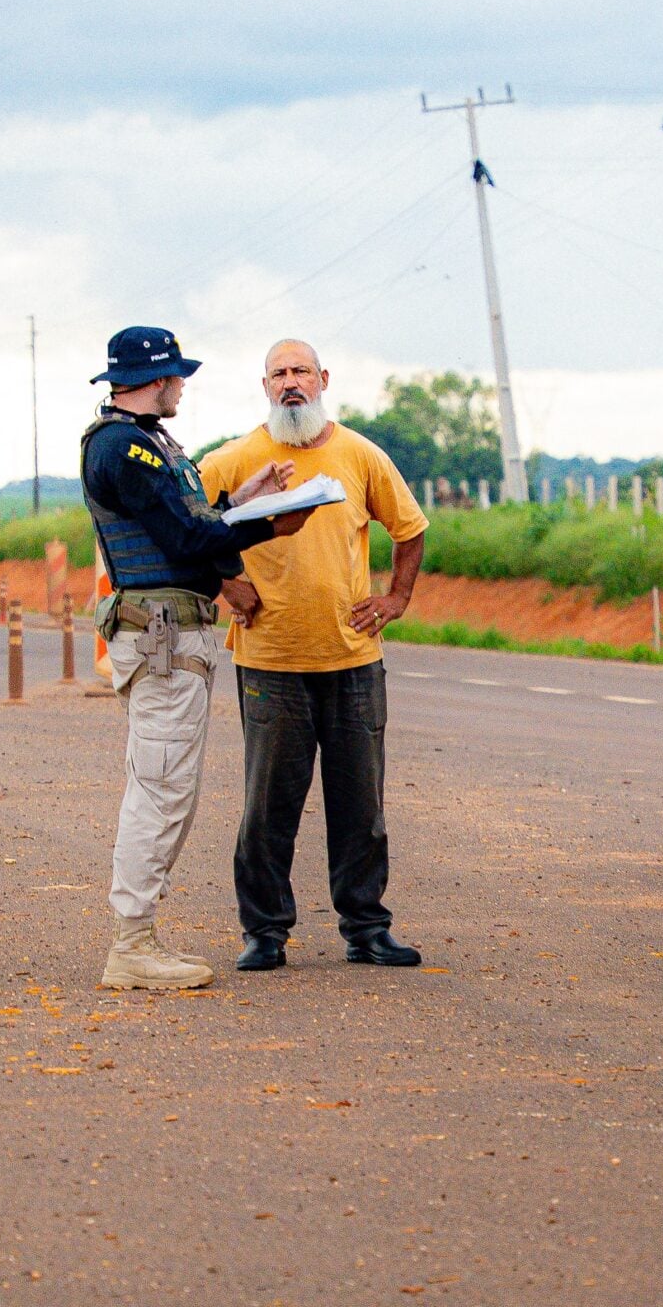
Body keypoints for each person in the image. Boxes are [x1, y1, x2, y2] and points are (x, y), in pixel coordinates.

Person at [79, 325, 315, 991]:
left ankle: (138, 938)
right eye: (177, 375)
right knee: (159, 790)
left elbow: (187, 519)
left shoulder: (142, 445)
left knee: (166, 789)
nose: (182, 384)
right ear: (158, 380)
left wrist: (242, 502)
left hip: (169, 635)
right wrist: (269, 519)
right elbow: (183, 537)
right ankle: (131, 944)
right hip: (162, 638)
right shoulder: (125, 450)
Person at [199, 339, 431, 972]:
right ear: (265, 386)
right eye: (280, 374)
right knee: (267, 806)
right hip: (270, 659)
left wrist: (396, 598)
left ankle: (365, 928)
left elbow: (409, 529)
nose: (291, 382)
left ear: (324, 378)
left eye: (302, 371)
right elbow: (186, 525)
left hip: (353, 657)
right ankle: (265, 932)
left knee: (361, 803)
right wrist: (224, 582)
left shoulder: (360, 454)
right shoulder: (234, 458)